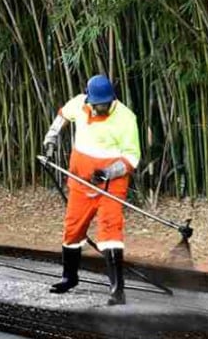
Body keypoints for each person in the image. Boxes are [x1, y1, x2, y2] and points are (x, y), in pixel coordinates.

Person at [42, 75, 140, 305]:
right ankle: (69, 277)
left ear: (112, 99)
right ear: (88, 100)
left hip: (110, 184)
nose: (100, 108)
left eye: (105, 104)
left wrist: (108, 172)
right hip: (80, 181)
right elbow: (62, 117)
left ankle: (117, 290)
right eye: (97, 105)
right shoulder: (78, 103)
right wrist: (51, 139)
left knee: (110, 230)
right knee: (73, 228)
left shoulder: (126, 118)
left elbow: (132, 157)